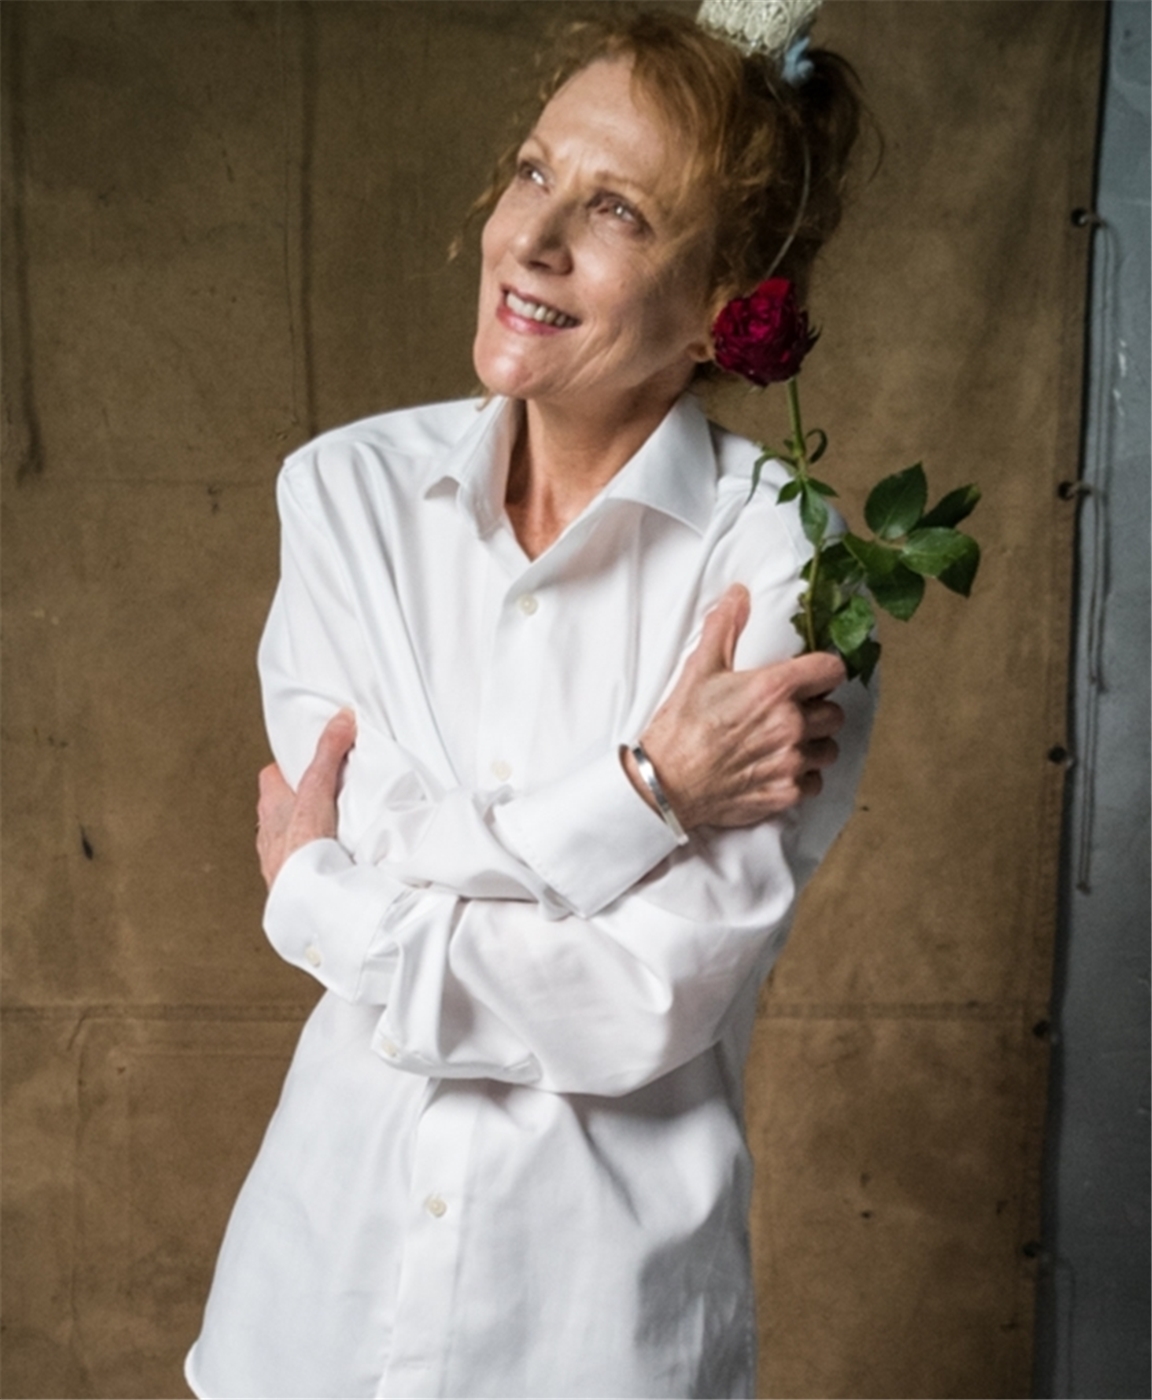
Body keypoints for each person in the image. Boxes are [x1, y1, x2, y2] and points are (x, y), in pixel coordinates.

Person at [187, 7, 871, 1397]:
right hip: (314, 1311)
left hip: (592, 1338)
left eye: (616, 210)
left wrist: (322, 904)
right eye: (533, 171)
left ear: (730, 295)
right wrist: (646, 794)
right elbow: (370, 830)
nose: (532, 240)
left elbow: (643, 995)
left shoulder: (785, 565)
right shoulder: (344, 498)